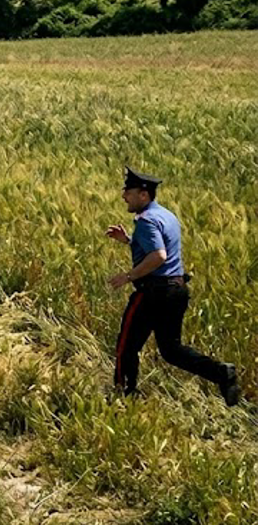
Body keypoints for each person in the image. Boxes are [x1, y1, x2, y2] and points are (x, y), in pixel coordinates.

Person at [105, 168, 240, 406]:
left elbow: (158, 255)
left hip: (153, 293)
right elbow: (159, 247)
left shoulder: (146, 220)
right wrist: (128, 241)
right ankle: (221, 373)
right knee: (171, 350)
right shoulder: (167, 215)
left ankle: (123, 395)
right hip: (176, 290)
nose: (124, 196)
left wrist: (128, 276)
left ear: (143, 195)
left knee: (126, 346)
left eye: (128, 192)